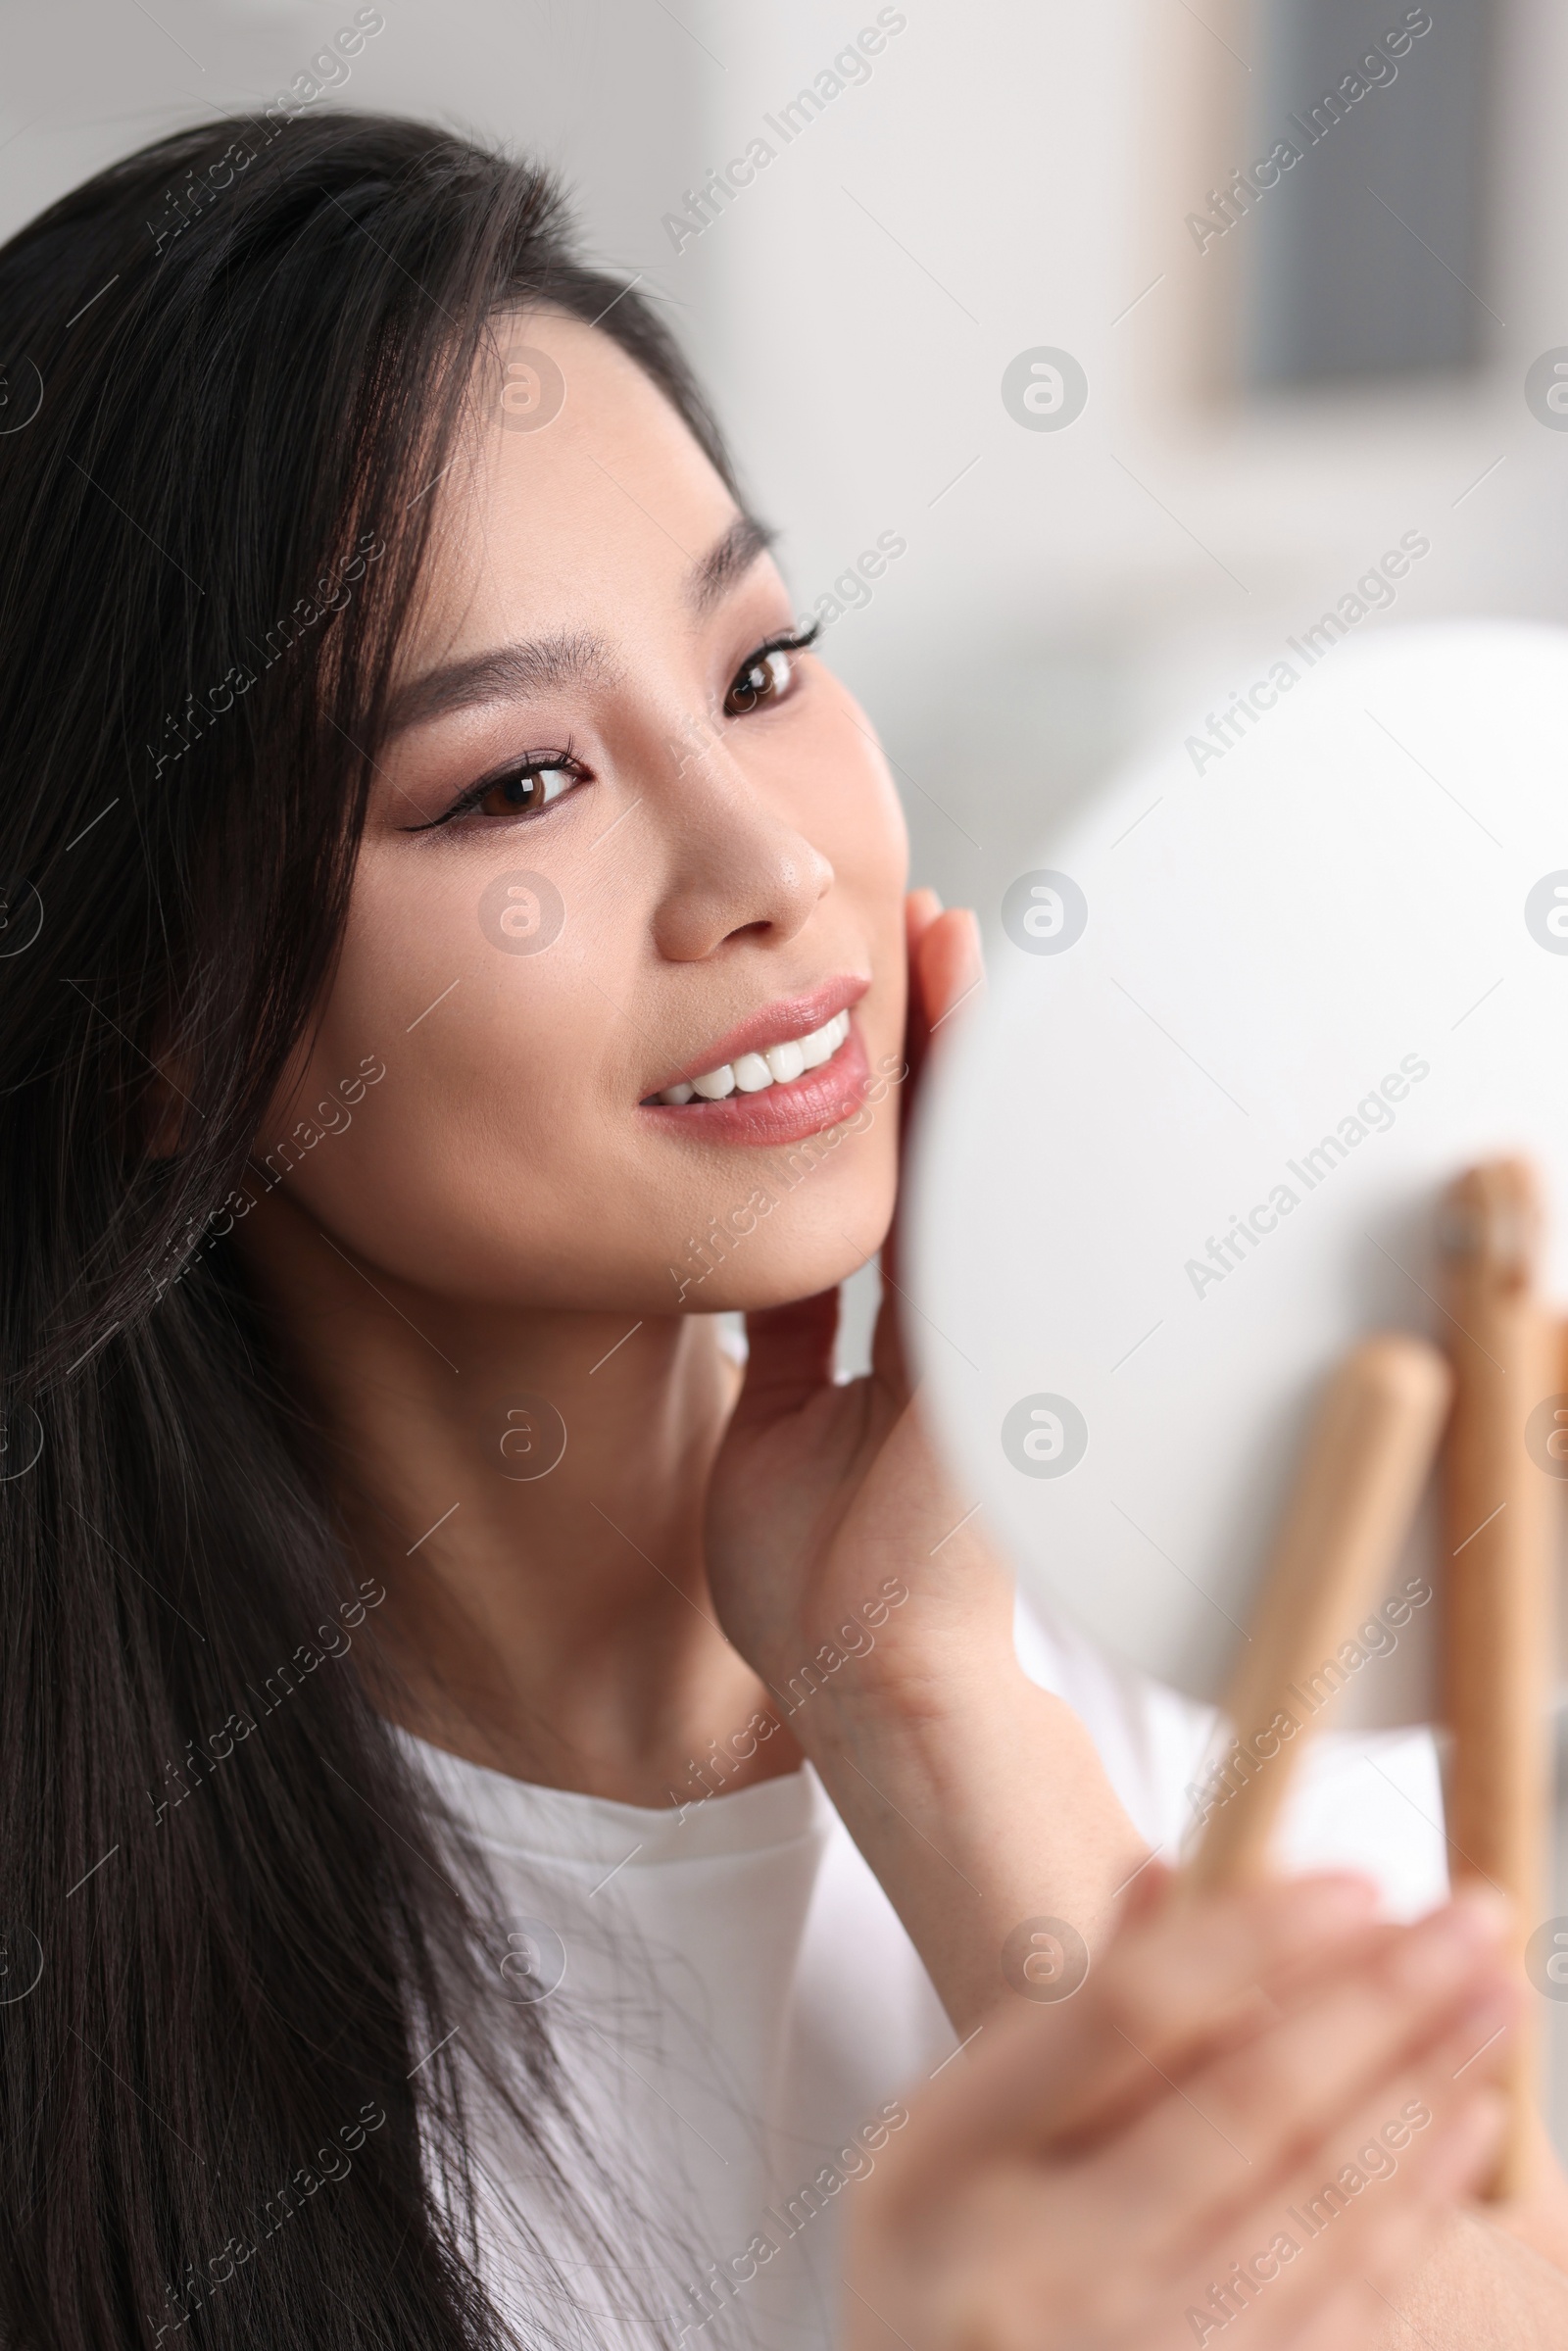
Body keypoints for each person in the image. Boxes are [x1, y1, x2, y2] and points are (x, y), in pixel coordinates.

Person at [0, 110, 1560, 2351]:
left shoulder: (1235, 1596)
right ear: (163, 1023)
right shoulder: (98, 1995)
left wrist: (920, 1711)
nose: (764, 858)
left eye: (756, 667)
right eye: (517, 782)